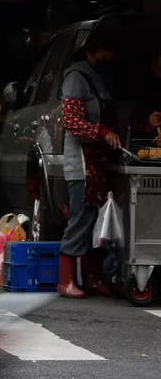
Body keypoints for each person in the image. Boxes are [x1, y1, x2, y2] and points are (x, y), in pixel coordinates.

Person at [58, 28, 119, 299]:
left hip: (98, 162)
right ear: (91, 52)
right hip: (81, 164)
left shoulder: (98, 77)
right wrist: (102, 132)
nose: (111, 56)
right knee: (81, 218)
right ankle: (65, 280)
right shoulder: (76, 78)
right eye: (106, 51)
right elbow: (71, 121)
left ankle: (92, 277)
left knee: (95, 221)